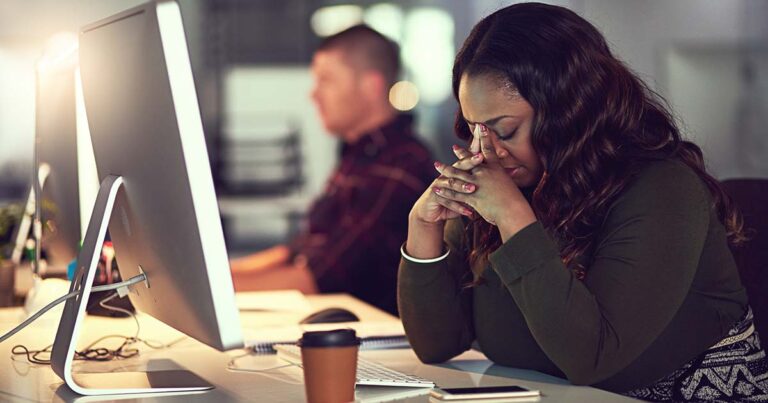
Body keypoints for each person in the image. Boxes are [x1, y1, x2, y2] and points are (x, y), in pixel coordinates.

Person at [398, 3, 768, 401]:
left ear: (572, 112)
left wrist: (513, 217)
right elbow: (438, 344)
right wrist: (423, 229)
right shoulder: (507, 182)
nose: (485, 150)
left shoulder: (663, 189)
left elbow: (591, 357)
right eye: (474, 128)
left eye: (505, 130)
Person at [231, 25, 434, 315]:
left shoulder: (400, 165)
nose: (314, 94)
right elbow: (299, 248)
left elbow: (320, 277)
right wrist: (224, 273)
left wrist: (220, 287)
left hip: (373, 341)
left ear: (370, 86)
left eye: (326, 80)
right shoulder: (361, 155)